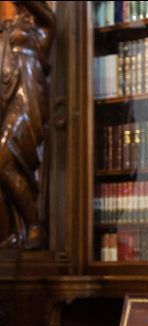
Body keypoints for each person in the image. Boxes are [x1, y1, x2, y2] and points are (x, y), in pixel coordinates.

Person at [0, 1, 55, 249]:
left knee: (4, 161)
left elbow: (44, 13)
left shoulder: (43, 26)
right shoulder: (10, 25)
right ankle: (18, 230)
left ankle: (35, 227)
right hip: (8, 96)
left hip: (29, 97)